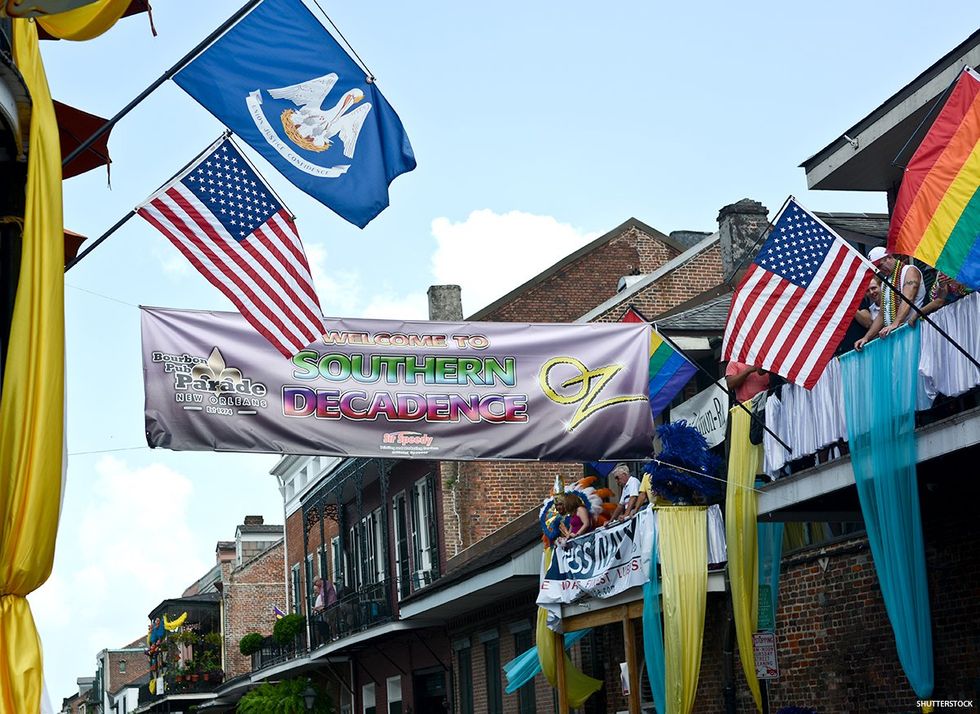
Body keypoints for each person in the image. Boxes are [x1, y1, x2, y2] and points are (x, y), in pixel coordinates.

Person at [855, 247, 925, 350]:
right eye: (876, 268)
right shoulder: (885, 283)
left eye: (880, 265)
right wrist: (866, 338)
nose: (879, 270)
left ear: (888, 257)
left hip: (914, 330)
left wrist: (895, 324)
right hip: (898, 338)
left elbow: (907, 299)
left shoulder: (909, 271)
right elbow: (882, 315)